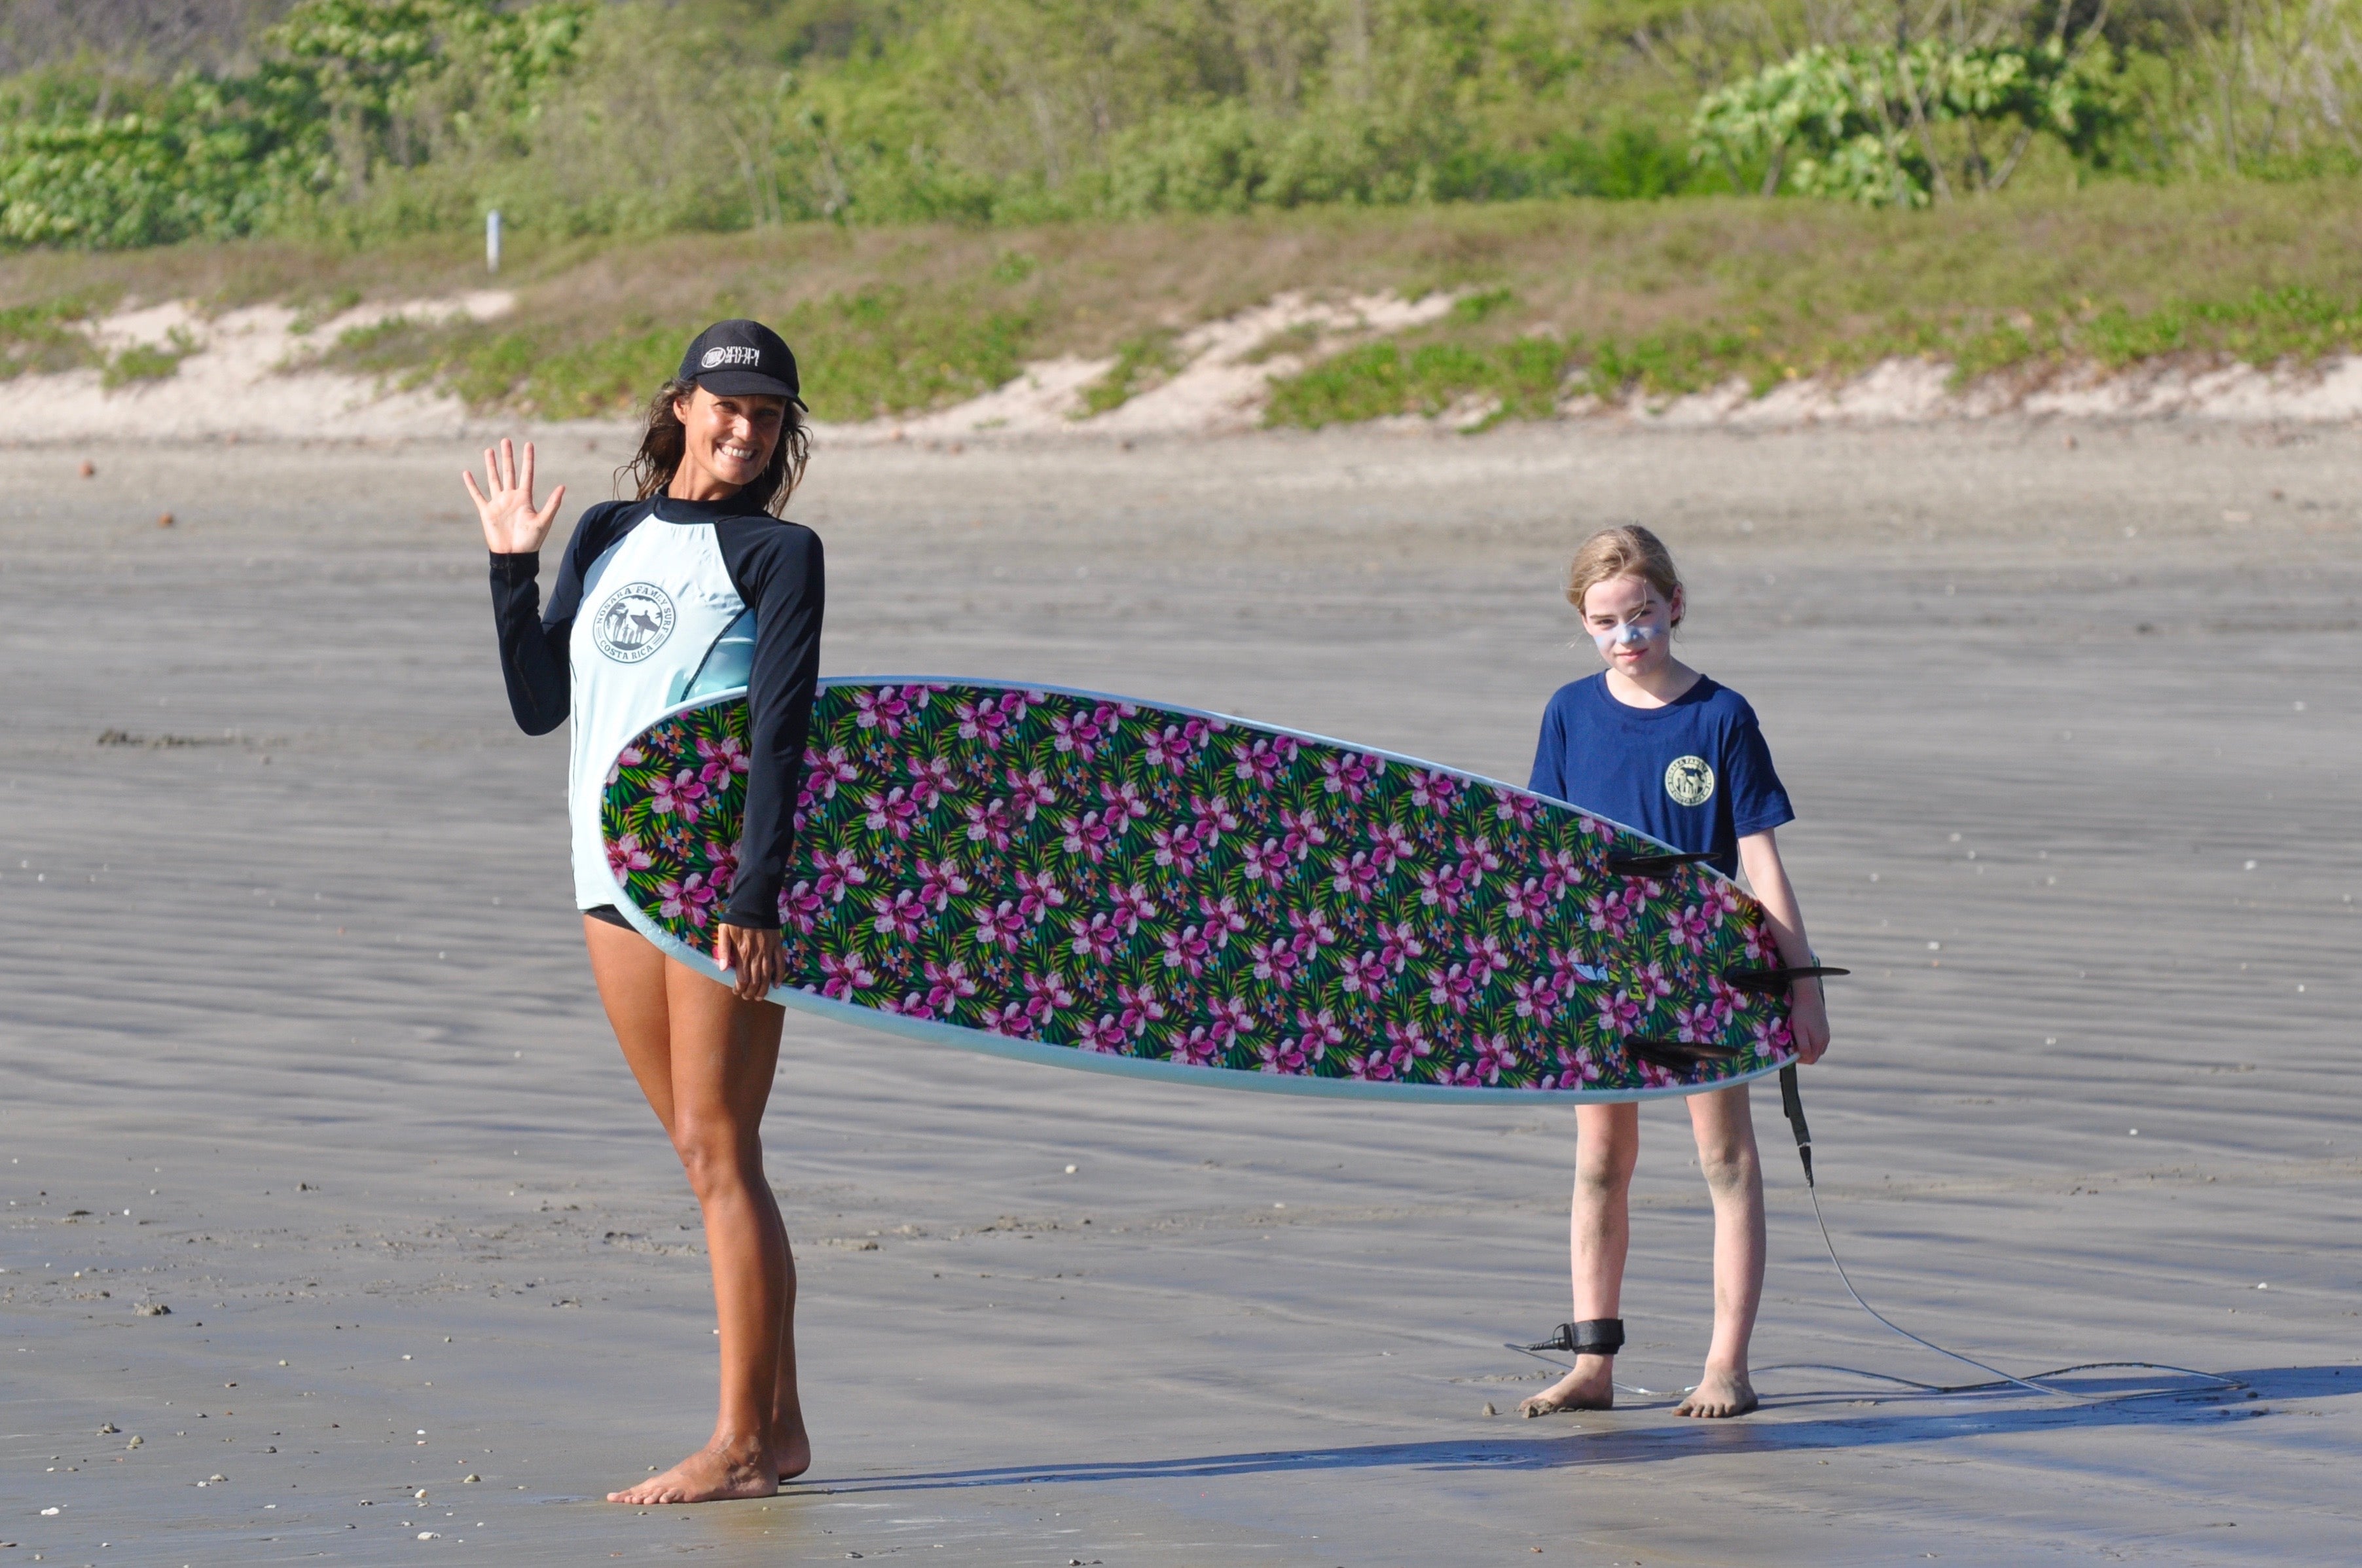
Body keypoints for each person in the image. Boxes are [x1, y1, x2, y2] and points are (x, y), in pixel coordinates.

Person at [468, 320, 826, 1503]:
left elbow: (781, 732)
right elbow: (538, 706)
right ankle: (777, 1430)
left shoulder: (780, 555)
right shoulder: (612, 532)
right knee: (702, 1148)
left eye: (769, 414)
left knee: (724, 1150)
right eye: (729, 406)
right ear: (680, 406)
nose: (747, 428)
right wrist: (512, 566)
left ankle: (737, 1444)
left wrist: (757, 895)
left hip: (716, 893)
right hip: (607, 874)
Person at [1516, 525, 1828, 1421]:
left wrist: (1799, 984)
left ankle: (1726, 1364)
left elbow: (1762, 864)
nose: (1628, 638)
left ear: (1675, 605)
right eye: (1606, 622)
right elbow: (1548, 853)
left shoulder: (1721, 718)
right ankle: (1593, 1363)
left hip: (1705, 968)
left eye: (1643, 616)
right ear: (1583, 623)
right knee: (1600, 1164)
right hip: (1599, 968)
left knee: (1726, 1160)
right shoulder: (1569, 713)